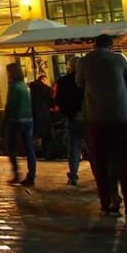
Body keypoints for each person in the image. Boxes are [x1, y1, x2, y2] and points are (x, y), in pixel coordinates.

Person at [76, 34, 127, 217]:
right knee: (126, 162)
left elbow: (79, 83)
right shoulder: (119, 59)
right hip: (121, 117)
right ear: (110, 45)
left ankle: (107, 203)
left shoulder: (84, 61)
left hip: (96, 118)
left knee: (101, 163)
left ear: (94, 45)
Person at [3, 63, 37, 187]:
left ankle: (16, 174)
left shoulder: (13, 86)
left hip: (16, 120)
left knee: (11, 147)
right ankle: (31, 175)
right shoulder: (24, 86)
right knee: (29, 148)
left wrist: (4, 121)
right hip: (28, 120)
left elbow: (10, 105)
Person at [55, 57, 85, 186]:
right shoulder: (86, 80)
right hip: (87, 116)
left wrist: (66, 112)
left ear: (70, 67)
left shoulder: (64, 81)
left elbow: (58, 100)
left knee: (73, 147)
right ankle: (99, 175)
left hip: (72, 117)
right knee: (92, 147)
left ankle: (73, 175)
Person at [29, 75, 53, 160]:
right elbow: (51, 103)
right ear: (43, 80)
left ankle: (33, 153)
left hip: (34, 114)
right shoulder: (47, 89)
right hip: (45, 114)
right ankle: (46, 154)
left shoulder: (32, 88)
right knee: (46, 135)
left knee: (34, 135)